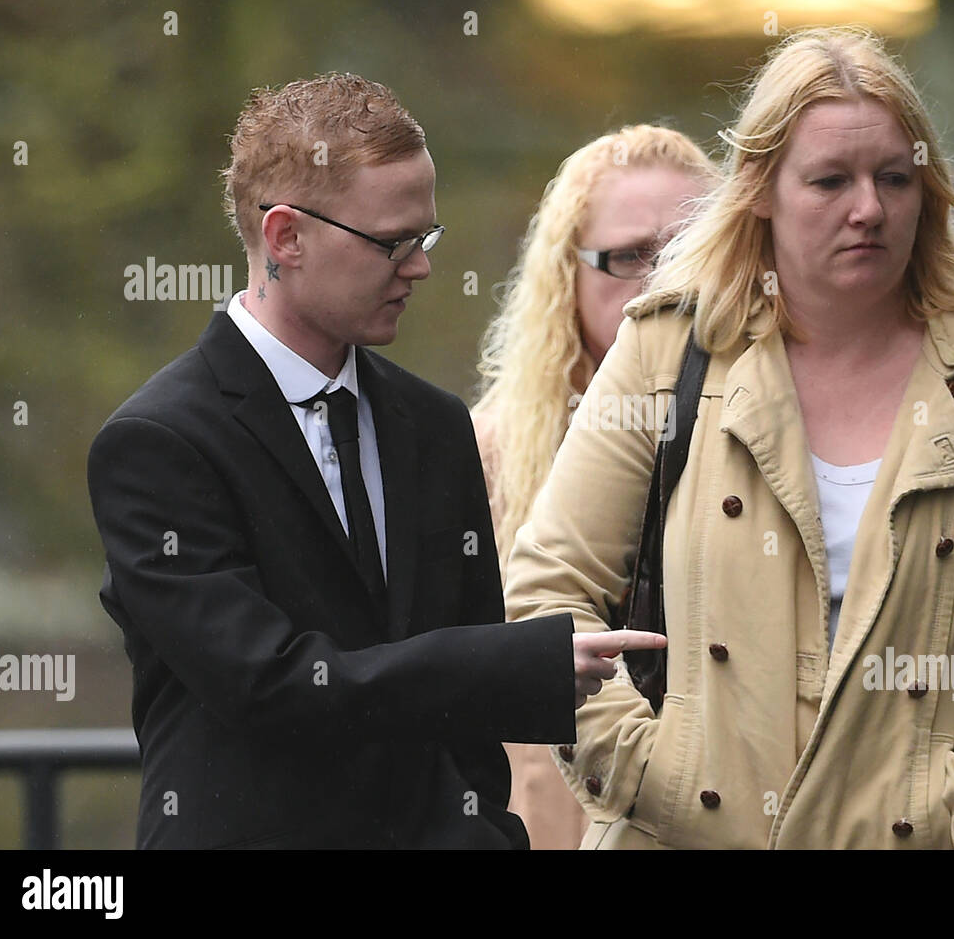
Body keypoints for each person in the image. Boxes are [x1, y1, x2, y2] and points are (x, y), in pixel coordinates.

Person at [502, 27, 954, 849]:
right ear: (760, 187)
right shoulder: (667, 347)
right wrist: (653, 776)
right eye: (830, 180)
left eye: (894, 178)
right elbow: (547, 593)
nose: (868, 208)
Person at [86, 73, 660, 849]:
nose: (419, 267)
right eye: (393, 242)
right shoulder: (156, 444)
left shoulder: (433, 424)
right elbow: (271, 684)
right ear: (286, 237)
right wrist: (513, 662)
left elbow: (467, 734)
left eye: (426, 239)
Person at [470, 125, 715, 848]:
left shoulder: (783, 429)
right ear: (565, 275)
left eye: (689, 250)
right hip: (541, 817)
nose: (664, 278)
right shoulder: (484, 453)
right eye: (629, 257)